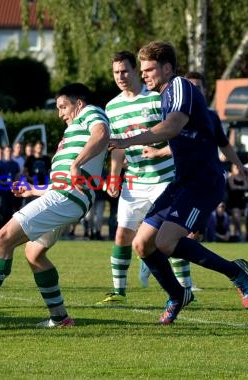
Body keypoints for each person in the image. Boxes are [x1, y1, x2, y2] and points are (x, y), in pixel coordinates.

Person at [109, 41, 248, 325]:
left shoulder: (179, 87)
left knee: (165, 242)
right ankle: (178, 295)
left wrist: (126, 141)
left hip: (203, 182)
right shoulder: (165, 96)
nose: (145, 74)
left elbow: (173, 127)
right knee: (142, 244)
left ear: (167, 68)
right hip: (181, 182)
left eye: (149, 69)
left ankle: (235, 271)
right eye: (143, 69)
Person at [0, 83, 110, 328]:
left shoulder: (91, 112)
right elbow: (64, 179)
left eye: (63, 107)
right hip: (67, 197)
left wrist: (77, 163)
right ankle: (59, 318)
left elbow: (102, 134)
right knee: (34, 253)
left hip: (68, 197)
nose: (60, 114)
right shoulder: (72, 134)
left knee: (3, 238)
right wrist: (33, 190)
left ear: (79, 104)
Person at [98, 51, 193, 304]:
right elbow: (117, 146)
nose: (120, 76)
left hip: (164, 178)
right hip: (134, 181)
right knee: (121, 235)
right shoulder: (112, 106)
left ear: (135, 71)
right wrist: (114, 176)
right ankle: (119, 292)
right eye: (116, 72)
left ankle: (186, 286)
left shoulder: (156, 99)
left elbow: (176, 133)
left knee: (169, 236)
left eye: (125, 71)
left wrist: (160, 152)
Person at [226, 163, 248, 240]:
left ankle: (236, 235)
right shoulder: (231, 177)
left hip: (241, 201)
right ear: (232, 168)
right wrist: (241, 187)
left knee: (237, 220)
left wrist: (238, 187)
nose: (238, 169)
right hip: (233, 201)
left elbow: (246, 186)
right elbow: (233, 187)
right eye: (236, 168)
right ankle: (241, 234)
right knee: (237, 218)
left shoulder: (243, 178)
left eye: (239, 168)